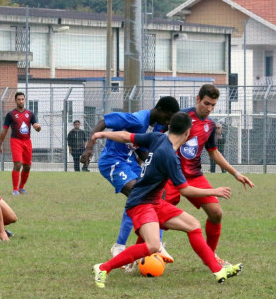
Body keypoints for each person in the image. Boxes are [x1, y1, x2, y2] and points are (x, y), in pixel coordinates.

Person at [91, 112, 243, 288]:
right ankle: (102, 268)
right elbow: (185, 190)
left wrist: (101, 134)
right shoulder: (170, 156)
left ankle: (218, 270)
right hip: (141, 203)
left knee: (193, 225)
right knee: (153, 245)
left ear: (170, 127)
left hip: (154, 202)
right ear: (187, 133)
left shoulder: (157, 138)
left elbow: (126, 136)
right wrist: (213, 191)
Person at [81, 96, 180, 267]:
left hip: (129, 162)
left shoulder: (155, 126)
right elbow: (104, 120)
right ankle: (119, 246)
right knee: (138, 195)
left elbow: (141, 149)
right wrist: (89, 147)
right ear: (160, 110)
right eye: (169, 117)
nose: (169, 122)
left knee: (160, 194)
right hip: (113, 162)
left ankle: (156, 245)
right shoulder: (137, 119)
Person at [163, 84, 254, 267]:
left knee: (216, 213)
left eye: (213, 105)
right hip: (171, 175)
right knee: (156, 216)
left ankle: (210, 256)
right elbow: (160, 139)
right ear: (198, 99)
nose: (209, 108)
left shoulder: (210, 125)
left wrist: (235, 173)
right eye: (206, 103)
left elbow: (213, 152)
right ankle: (142, 254)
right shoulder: (181, 117)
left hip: (194, 174)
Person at [0, 92, 42, 195]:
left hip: (27, 141)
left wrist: (38, 127)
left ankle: (22, 187)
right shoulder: (11, 114)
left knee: (27, 166)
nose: (21, 101)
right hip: (16, 141)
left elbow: (36, 127)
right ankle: (15, 189)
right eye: (19, 99)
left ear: (24, 100)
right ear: (15, 101)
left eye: (22, 99)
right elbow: (4, 131)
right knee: (18, 164)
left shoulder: (30, 114)